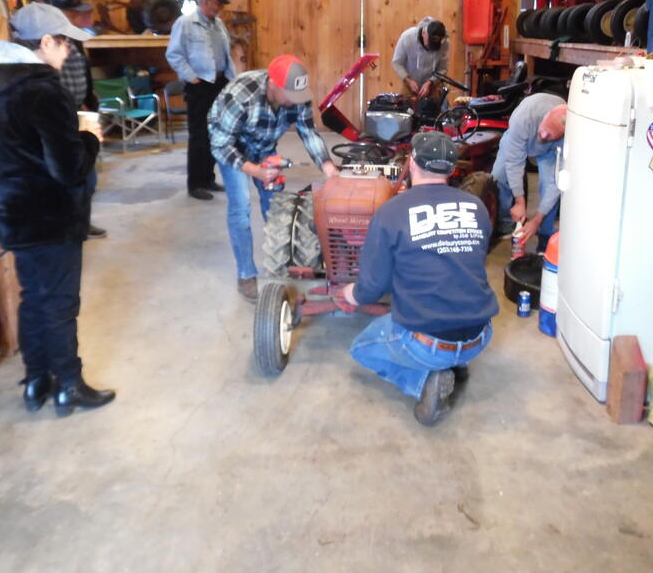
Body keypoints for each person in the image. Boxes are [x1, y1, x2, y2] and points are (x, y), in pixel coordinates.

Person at [0, 2, 115, 417]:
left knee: (34, 299)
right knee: (60, 304)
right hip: (50, 217)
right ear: (45, 42)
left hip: (16, 214)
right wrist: (90, 137)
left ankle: (37, 380)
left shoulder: (0, 85)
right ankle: (69, 386)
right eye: (65, 43)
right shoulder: (45, 91)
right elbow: (69, 169)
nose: (70, 51)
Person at [342, 131, 497, 426]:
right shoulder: (476, 207)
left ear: (411, 162)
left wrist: (350, 293)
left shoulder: (391, 212)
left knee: (361, 349)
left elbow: (372, 287)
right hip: (480, 335)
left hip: (427, 344)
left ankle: (423, 380)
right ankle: (456, 362)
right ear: (451, 169)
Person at [209, 55, 339, 302]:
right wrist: (255, 170)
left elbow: (308, 132)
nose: (294, 101)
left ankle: (285, 263)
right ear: (273, 85)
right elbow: (220, 145)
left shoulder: (297, 96)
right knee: (240, 207)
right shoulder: (240, 96)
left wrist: (327, 165)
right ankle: (246, 274)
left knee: (277, 203)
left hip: (264, 144)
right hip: (232, 146)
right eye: (289, 95)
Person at [166, 0, 236, 201]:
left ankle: (208, 178)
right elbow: (174, 54)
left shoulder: (218, 24)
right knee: (199, 135)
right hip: (199, 85)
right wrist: (191, 78)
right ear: (207, 2)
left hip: (219, 83)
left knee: (216, 133)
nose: (220, 8)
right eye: (218, 4)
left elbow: (225, 55)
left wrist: (231, 80)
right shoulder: (185, 23)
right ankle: (195, 184)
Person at [51, 0, 106, 239]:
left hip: (81, 111)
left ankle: (82, 222)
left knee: (88, 173)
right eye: (74, 13)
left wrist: (86, 101)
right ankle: (72, 225)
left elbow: (81, 72)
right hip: (63, 114)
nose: (80, 17)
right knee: (72, 173)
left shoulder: (74, 36)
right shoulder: (50, 41)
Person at [491, 92, 567, 253]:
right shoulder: (524, 117)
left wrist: (536, 220)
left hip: (551, 151)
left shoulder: (569, 137)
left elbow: (555, 184)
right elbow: (514, 162)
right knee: (499, 176)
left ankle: (545, 235)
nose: (543, 137)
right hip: (518, 136)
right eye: (544, 130)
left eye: (550, 135)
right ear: (545, 116)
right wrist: (520, 202)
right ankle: (506, 223)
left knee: (549, 186)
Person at [392, 17, 449, 99]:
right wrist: (409, 81)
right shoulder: (407, 37)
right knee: (406, 105)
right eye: (429, 44)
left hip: (434, 84)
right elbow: (397, 63)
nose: (430, 49)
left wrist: (430, 82)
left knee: (437, 105)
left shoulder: (444, 42)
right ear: (423, 33)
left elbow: (442, 68)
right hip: (409, 83)